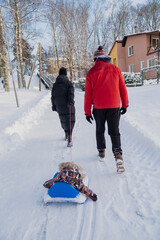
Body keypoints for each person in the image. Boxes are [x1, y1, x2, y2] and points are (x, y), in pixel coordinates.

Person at [84, 46, 129, 173]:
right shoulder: (116, 69)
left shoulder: (91, 72)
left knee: (100, 130)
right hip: (114, 106)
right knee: (114, 131)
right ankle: (118, 155)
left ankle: (101, 152)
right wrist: (125, 105)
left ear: (96, 59)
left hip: (98, 108)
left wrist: (87, 112)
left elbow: (88, 94)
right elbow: (122, 89)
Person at [51, 67, 75, 147]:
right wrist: (71, 101)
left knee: (63, 119)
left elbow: (53, 96)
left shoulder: (55, 84)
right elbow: (71, 92)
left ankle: (66, 133)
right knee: (71, 120)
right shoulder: (68, 83)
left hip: (59, 105)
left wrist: (54, 105)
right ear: (65, 73)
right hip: (68, 104)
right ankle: (69, 136)